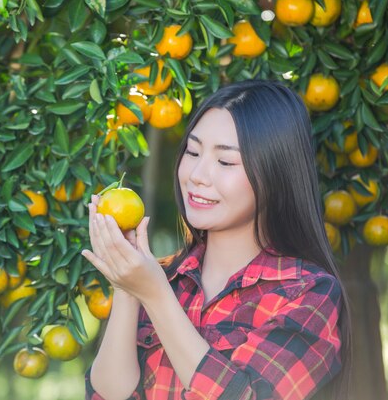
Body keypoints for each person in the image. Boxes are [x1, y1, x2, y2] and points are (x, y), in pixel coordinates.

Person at [81, 80, 351, 400]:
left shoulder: (306, 293)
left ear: (275, 174)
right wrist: (127, 289)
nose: (197, 174)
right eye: (193, 152)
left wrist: (155, 296)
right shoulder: (161, 278)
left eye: (225, 161)